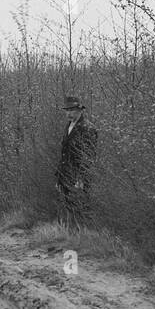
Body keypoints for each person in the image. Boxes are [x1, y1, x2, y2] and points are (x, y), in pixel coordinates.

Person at [54, 96, 97, 229]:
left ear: (80, 110)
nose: (69, 113)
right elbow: (64, 153)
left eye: (72, 110)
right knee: (68, 207)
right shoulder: (68, 126)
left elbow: (89, 155)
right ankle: (71, 236)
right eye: (67, 110)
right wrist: (59, 177)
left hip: (79, 176)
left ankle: (83, 237)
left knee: (80, 208)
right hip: (65, 174)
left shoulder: (87, 128)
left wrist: (82, 178)